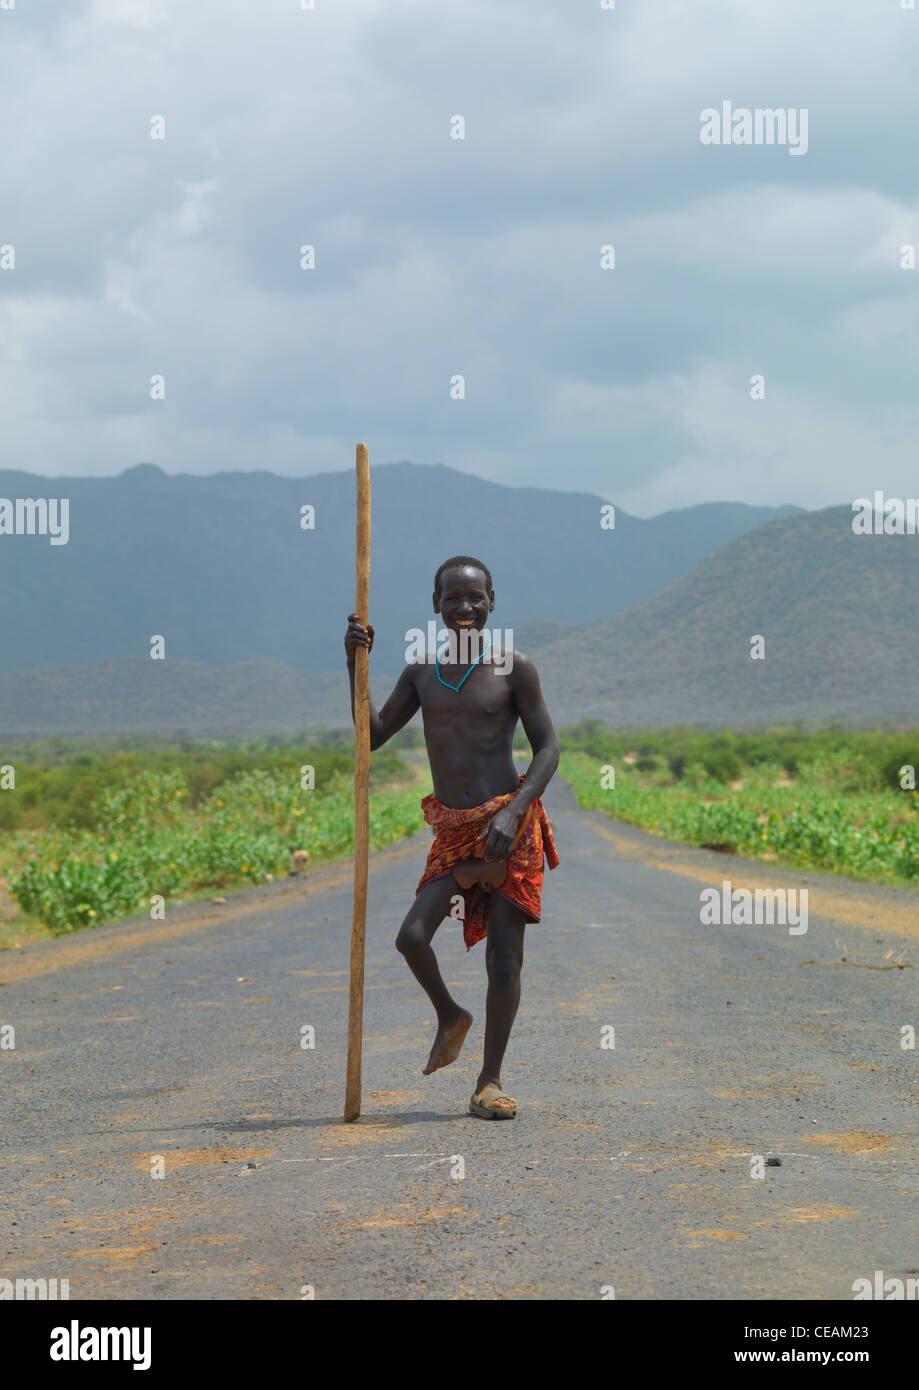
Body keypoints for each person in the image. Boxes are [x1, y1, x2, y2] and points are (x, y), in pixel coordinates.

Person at [345, 555, 559, 1119]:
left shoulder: (516, 669)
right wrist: (355, 661)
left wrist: (515, 811)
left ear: (493, 602)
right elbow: (372, 736)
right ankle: (449, 1014)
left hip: (509, 826)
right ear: (434, 604)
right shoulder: (422, 675)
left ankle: (489, 1082)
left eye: (475, 598)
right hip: (455, 832)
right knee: (412, 937)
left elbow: (548, 749)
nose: (464, 608)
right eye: (452, 598)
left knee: (504, 961)